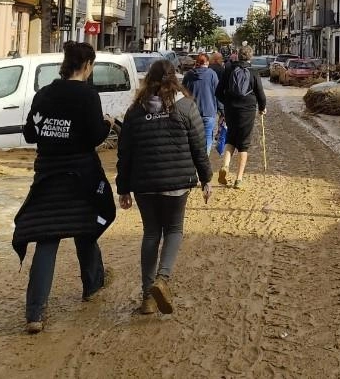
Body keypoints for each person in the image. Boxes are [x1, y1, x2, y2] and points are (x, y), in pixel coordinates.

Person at [14, 41, 115, 334]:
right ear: (87, 66)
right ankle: (93, 288)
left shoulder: (44, 94)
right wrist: (107, 124)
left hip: (47, 174)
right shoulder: (88, 95)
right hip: (81, 175)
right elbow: (95, 135)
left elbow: (31, 134)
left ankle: (35, 313)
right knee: (86, 229)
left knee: (47, 237)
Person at [115, 59, 212, 315]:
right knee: (174, 230)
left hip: (144, 184)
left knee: (150, 234)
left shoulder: (135, 111)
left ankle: (147, 298)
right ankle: (163, 279)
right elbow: (198, 148)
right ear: (174, 79)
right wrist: (206, 179)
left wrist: (122, 188)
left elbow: (124, 153)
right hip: (177, 184)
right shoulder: (186, 107)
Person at [216, 46, 266, 189]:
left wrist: (227, 103)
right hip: (247, 110)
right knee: (243, 144)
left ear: (237, 56)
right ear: (251, 57)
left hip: (231, 108)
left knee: (231, 137)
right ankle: (238, 179)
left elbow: (218, 91)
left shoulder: (229, 70)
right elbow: (261, 95)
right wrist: (262, 108)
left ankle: (225, 165)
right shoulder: (254, 73)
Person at [181, 54, 219, 155]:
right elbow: (218, 93)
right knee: (207, 138)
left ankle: (193, 163)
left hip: (191, 113)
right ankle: (204, 161)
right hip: (208, 112)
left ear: (196, 62)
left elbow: (182, 92)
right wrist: (223, 112)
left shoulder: (189, 75)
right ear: (207, 62)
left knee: (192, 138)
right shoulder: (212, 74)